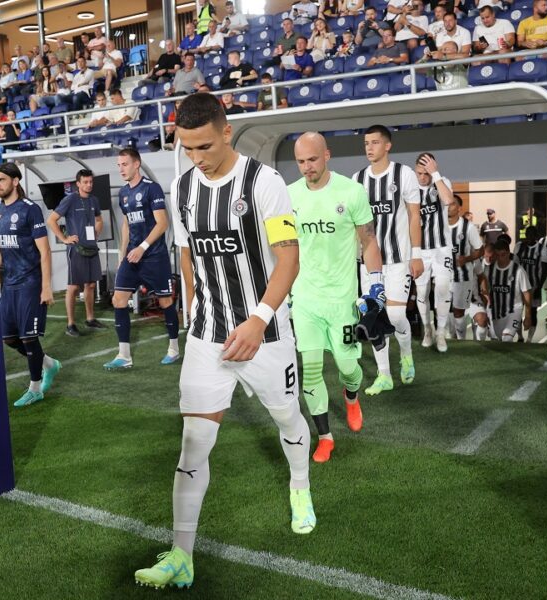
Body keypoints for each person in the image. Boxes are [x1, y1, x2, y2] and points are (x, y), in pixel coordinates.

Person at [134, 93, 312, 590]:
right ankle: (181, 554)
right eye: (187, 148)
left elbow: (289, 259)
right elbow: (188, 255)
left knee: (287, 417)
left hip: (266, 333)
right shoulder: (182, 187)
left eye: (205, 146)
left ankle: (300, 485)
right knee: (194, 443)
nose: (197, 157)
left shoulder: (265, 183)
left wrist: (258, 319)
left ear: (227, 132)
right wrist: (194, 310)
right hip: (208, 336)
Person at [288, 132, 383, 463]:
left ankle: (351, 397)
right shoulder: (289, 195)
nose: (307, 167)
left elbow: (368, 241)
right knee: (311, 369)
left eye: (312, 159)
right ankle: (325, 437)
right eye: (301, 161)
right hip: (305, 298)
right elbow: (286, 249)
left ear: (326, 155)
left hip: (342, 299)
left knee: (347, 367)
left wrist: (376, 284)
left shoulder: (351, 192)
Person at [0, 163, 61, 406]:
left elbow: (45, 251)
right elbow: (0, 250)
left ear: (15, 181)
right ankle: (49, 363)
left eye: (1, 180)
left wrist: (46, 287)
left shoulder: (30, 209)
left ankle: (35, 389)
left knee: (28, 338)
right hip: (9, 284)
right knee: (8, 338)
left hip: (30, 283)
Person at [352, 125, 422, 395]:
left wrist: (417, 254)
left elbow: (414, 216)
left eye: (375, 142)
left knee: (395, 314)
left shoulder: (404, 174)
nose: (369, 148)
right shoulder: (357, 179)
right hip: (369, 264)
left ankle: (406, 354)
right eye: (366, 143)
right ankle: (384, 375)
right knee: (373, 315)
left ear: (387, 145)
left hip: (398, 259)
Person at [103, 149, 181, 370]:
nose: (121, 169)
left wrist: (143, 247)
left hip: (154, 256)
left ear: (136, 164)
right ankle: (124, 355)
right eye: (119, 165)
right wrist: (122, 254)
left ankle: (174, 349)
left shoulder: (151, 188)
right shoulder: (123, 193)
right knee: (118, 300)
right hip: (132, 257)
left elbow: (162, 223)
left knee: (165, 302)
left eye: (125, 164)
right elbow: (127, 224)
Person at [46, 169, 105, 337]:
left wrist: (96, 231)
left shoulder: (94, 200)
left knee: (91, 285)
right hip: (76, 249)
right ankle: (70, 324)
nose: (89, 185)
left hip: (91, 247)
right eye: (85, 182)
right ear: (78, 184)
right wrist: (64, 239)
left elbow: (99, 220)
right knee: (73, 287)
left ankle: (90, 319)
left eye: (91, 182)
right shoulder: (70, 199)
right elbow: (51, 220)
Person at [413, 152, 454, 352]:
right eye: (419, 173)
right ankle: (427, 328)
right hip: (419, 249)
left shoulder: (441, 182)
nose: (422, 177)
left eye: (426, 173)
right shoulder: (409, 187)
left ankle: (441, 331)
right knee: (422, 291)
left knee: (443, 287)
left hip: (441, 247)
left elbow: (448, 201)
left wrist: (435, 175)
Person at [447, 194, 484, 340]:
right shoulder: (439, 225)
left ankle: (460, 340)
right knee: (443, 311)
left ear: (459, 208)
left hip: (462, 277)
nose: (448, 207)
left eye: (452, 204)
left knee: (458, 311)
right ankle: (450, 336)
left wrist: (466, 259)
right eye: (447, 204)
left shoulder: (468, 227)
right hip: (443, 276)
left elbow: (480, 250)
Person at [482, 237, 531, 342]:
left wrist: (528, 315)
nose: (500, 258)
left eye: (503, 255)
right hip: (496, 312)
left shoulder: (518, 270)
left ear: (509, 253)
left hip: (515, 310)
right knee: (498, 340)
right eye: (497, 255)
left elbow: (526, 292)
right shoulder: (488, 270)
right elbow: (485, 292)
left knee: (507, 337)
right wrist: (484, 311)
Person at [515, 225, 547, 342]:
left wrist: (539, 287)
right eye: (527, 234)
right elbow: (514, 263)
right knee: (517, 311)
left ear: (536, 236)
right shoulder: (519, 246)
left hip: (534, 286)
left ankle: (529, 339)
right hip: (519, 286)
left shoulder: (542, 249)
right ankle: (520, 336)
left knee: (533, 312)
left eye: (531, 235)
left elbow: (544, 270)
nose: (529, 237)